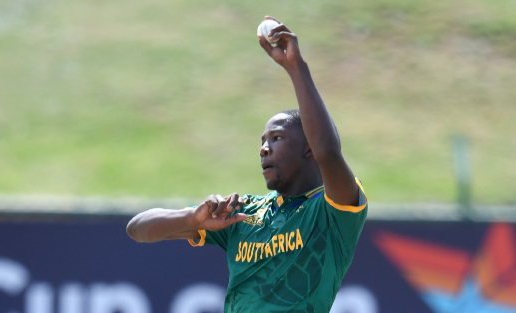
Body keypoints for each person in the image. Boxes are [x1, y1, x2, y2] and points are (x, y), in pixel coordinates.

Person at [126, 16, 368, 313]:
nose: (264, 148)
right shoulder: (243, 214)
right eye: (262, 141)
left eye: (277, 138)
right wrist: (192, 221)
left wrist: (296, 67)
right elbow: (137, 229)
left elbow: (329, 152)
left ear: (308, 149)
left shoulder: (333, 213)